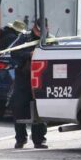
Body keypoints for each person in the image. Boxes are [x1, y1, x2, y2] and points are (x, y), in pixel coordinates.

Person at [10, 18, 52, 149]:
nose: (40, 34)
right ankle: (20, 139)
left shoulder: (51, 39)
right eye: (38, 31)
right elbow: (14, 52)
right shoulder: (24, 37)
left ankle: (39, 140)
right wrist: (29, 54)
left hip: (42, 79)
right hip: (24, 79)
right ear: (34, 28)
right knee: (18, 106)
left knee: (40, 109)